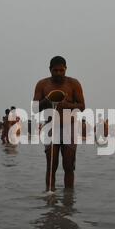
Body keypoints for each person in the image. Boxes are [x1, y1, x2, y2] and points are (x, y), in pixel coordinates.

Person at [33, 56, 85, 191]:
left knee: (68, 165)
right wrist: (47, 100)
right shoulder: (42, 84)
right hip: (50, 127)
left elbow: (82, 106)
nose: (58, 73)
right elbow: (34, 108)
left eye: (61, 70)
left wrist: (66, 104)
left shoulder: (74, 84)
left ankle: (68, 200)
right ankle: (50, 196)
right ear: (50, 70)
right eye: (55, 70)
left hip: (70, 127)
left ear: (65, 69)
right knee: (51, 165)